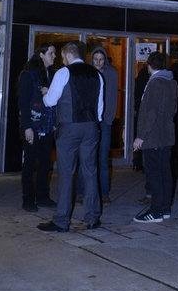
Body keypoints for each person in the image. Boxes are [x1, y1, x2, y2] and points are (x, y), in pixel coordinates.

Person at [37, 41, 104, 232]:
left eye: (62, 57)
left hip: (69, 128)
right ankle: (92, 218)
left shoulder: (63, 73)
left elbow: (50, 102)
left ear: (67, 55)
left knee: (66, 173)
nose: (61, 60)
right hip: (91, 127)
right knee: (90, 172)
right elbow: (100, 106)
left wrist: (45, 94)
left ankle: (61, 220)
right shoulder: (96, 74)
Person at [132, 51, 178, 223]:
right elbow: (171, 110)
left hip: (154, 137)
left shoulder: (155, 83)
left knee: (154, 174)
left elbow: (151, 113)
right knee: (165, 172)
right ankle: (165, 208)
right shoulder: (171, 83)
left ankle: (156, 211)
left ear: (149, 65)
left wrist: (141, 137)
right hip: (166, 136)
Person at [18, 43, 57, 211]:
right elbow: (23, 102)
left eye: (54, 53)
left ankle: (43, 196)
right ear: (41, 55)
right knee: (30, 163)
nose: (54, 56)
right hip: (32, 126)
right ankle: (28, 199)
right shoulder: (28, 74)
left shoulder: (52, 74)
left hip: (47, 126)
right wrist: (26, 127)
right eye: (51, 53)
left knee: (45, 163)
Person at [91, 46, 118, 203]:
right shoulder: (89, 72)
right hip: (90, 121)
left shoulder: (111, 73)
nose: (98, 62)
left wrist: (108, 119)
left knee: (102, 157)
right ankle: (83, 191)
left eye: (101, 60)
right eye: (95, 59)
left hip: (105, 122)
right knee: (87, 157)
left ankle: (104, 192)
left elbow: (112, 97)